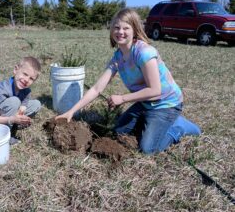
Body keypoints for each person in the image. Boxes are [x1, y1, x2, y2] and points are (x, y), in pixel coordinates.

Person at [56, 8, 201, 154]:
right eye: (117, 27)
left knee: (148, 149)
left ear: (135, 30)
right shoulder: (118, 57)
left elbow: (156, 91)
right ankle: (150, 122)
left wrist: (123, 98)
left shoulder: (144, 53)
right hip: (145, 103)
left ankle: (178, 127)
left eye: (126, 28)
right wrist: (71, 112)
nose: (120, 32)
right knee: (120, 131)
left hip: (166, 104)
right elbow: (96, 89)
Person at [0, 56, 42, 144]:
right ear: (16, 70)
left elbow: (26, 99)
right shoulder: (2, 90)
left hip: (8, 114)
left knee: (36, 104)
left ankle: (16, 123)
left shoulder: (26, 90)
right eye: (25, 74)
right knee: (14, 101)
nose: (27, 80)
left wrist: (23, 108)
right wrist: (11, 119)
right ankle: (5, 136)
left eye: (31, 78)